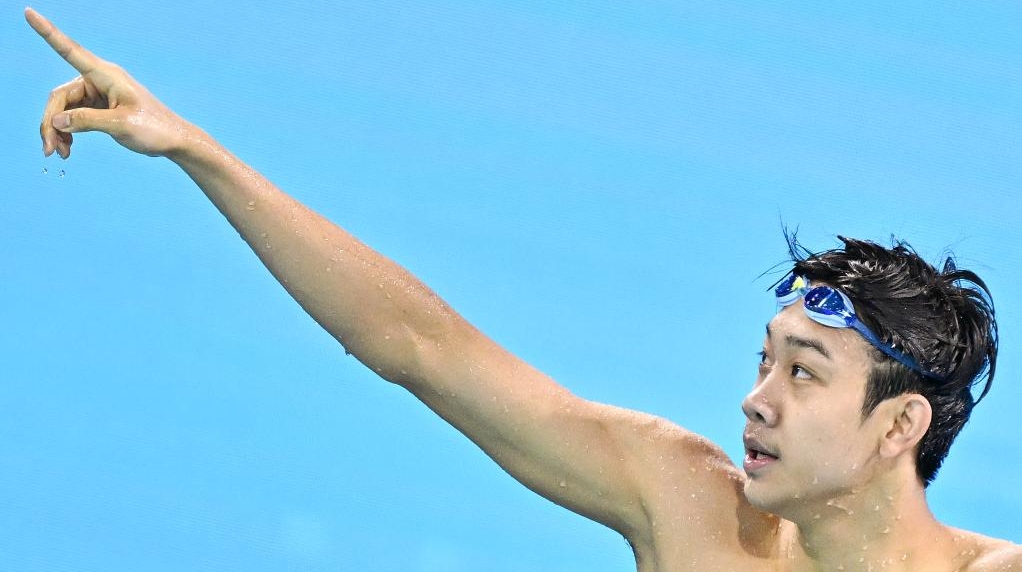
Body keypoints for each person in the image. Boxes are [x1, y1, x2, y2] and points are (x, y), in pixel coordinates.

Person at [26, 8, 1021, 571]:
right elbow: (420, 346)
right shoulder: (690, 511)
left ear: (899, 424)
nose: (755, 399)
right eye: (762, 361)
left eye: (802, 373)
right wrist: (195, 149)